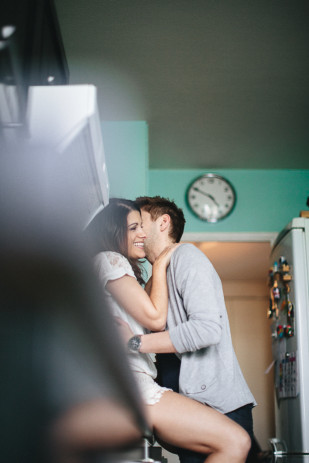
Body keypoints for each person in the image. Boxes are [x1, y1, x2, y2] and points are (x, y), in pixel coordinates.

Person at [93, 198, 251, 463]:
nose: (140, 234)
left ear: (163, 222)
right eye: (134, 228)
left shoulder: (185, 257)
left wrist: (134, 343)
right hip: (181, 397)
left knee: (235, 443)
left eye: (141, 224)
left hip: (217, 404)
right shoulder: (148, 278)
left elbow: (208, 330)